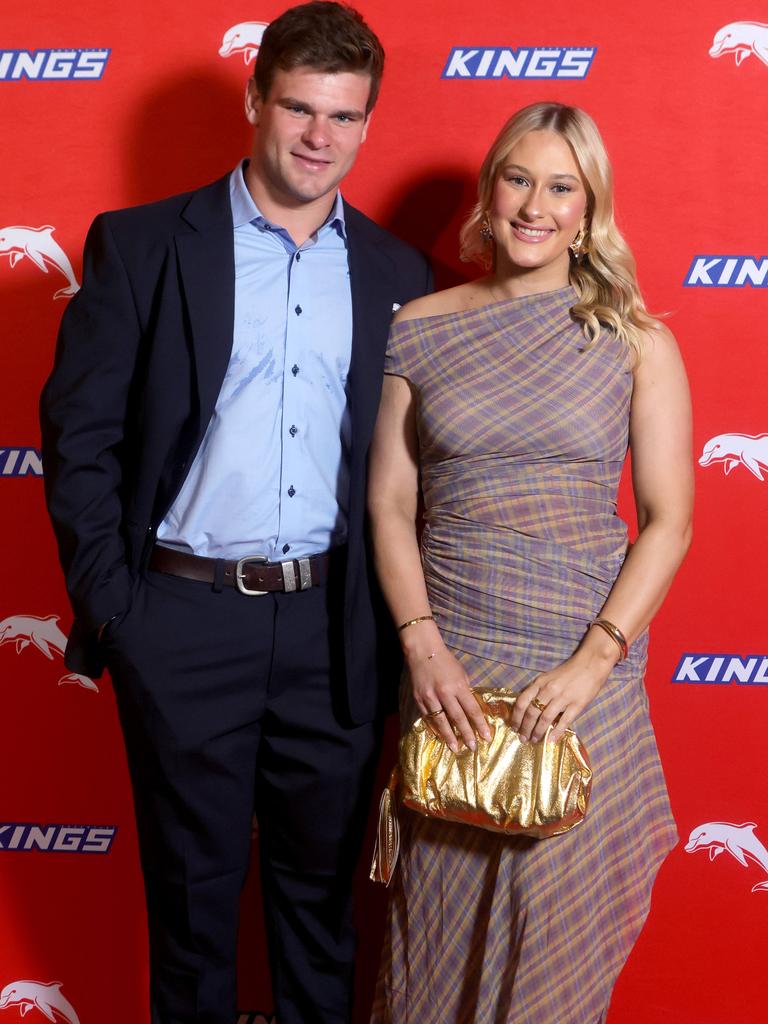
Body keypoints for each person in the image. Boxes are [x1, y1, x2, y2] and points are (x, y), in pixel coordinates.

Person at [39, 3, 432, 1022]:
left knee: (320, 914)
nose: (318, 137)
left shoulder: (398, 273)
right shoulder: (141, 246)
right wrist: (119, 612)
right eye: (298, 107)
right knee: (190, 911)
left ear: (367, 123)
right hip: (182, 618)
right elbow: (81, 438)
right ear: (256, 100)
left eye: (344, 117)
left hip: (332, 629)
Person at [367, 102, 692, 1024]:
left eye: (561, 186)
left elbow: (670, 521)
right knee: (435, 923)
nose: (534, 205)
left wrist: (596, 662)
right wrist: (423, 649)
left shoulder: (638, 342)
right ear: (489, 190)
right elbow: (389, 503)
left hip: (579, 675)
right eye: (518, 178)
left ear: (589, 210)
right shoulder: (421, 328)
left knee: (558, 934)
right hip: (454, 668)